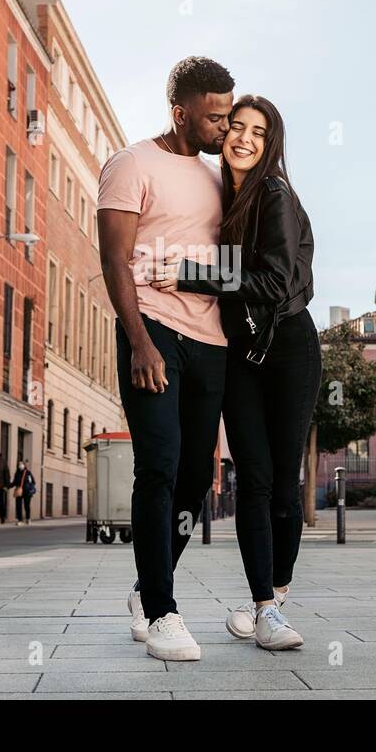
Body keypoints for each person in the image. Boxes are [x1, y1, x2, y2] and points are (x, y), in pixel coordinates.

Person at [152, 95, 318, 651]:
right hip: (242, 354)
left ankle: (273, 596)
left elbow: (276, 281)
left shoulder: (274, 194)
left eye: (258, 131)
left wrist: (190, 275)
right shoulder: (229, 199)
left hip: (289, 349)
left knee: (283, 487)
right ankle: (267, 610)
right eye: (236, 127)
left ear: (272, 143)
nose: (244, 137)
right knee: (255, 476)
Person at [96, 56, 235, 662]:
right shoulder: (131, 165)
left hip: (212, 342)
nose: (225, 128)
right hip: (152, 331)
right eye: (214, 118)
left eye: (229, 116)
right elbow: (115, 260)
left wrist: (190, 273)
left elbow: (229, 270)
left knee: (193, 479)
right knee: (158, 465)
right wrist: (139, 341)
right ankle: (161, 610)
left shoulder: (218, 176)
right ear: (180, 113)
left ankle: (145, 586)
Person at [12, 460, 36, 525]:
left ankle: (28, 518)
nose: (20, 465)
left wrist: (31, 488)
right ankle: (19, 520)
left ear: (24, 465)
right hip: (19, 491)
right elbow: (14, 482)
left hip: (27, 491)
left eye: (21, 464)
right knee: (18, 506)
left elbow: (33, 482)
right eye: (19, 464)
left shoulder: (28, 473)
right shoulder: (17, 473)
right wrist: (8, 486)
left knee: (27, 505)